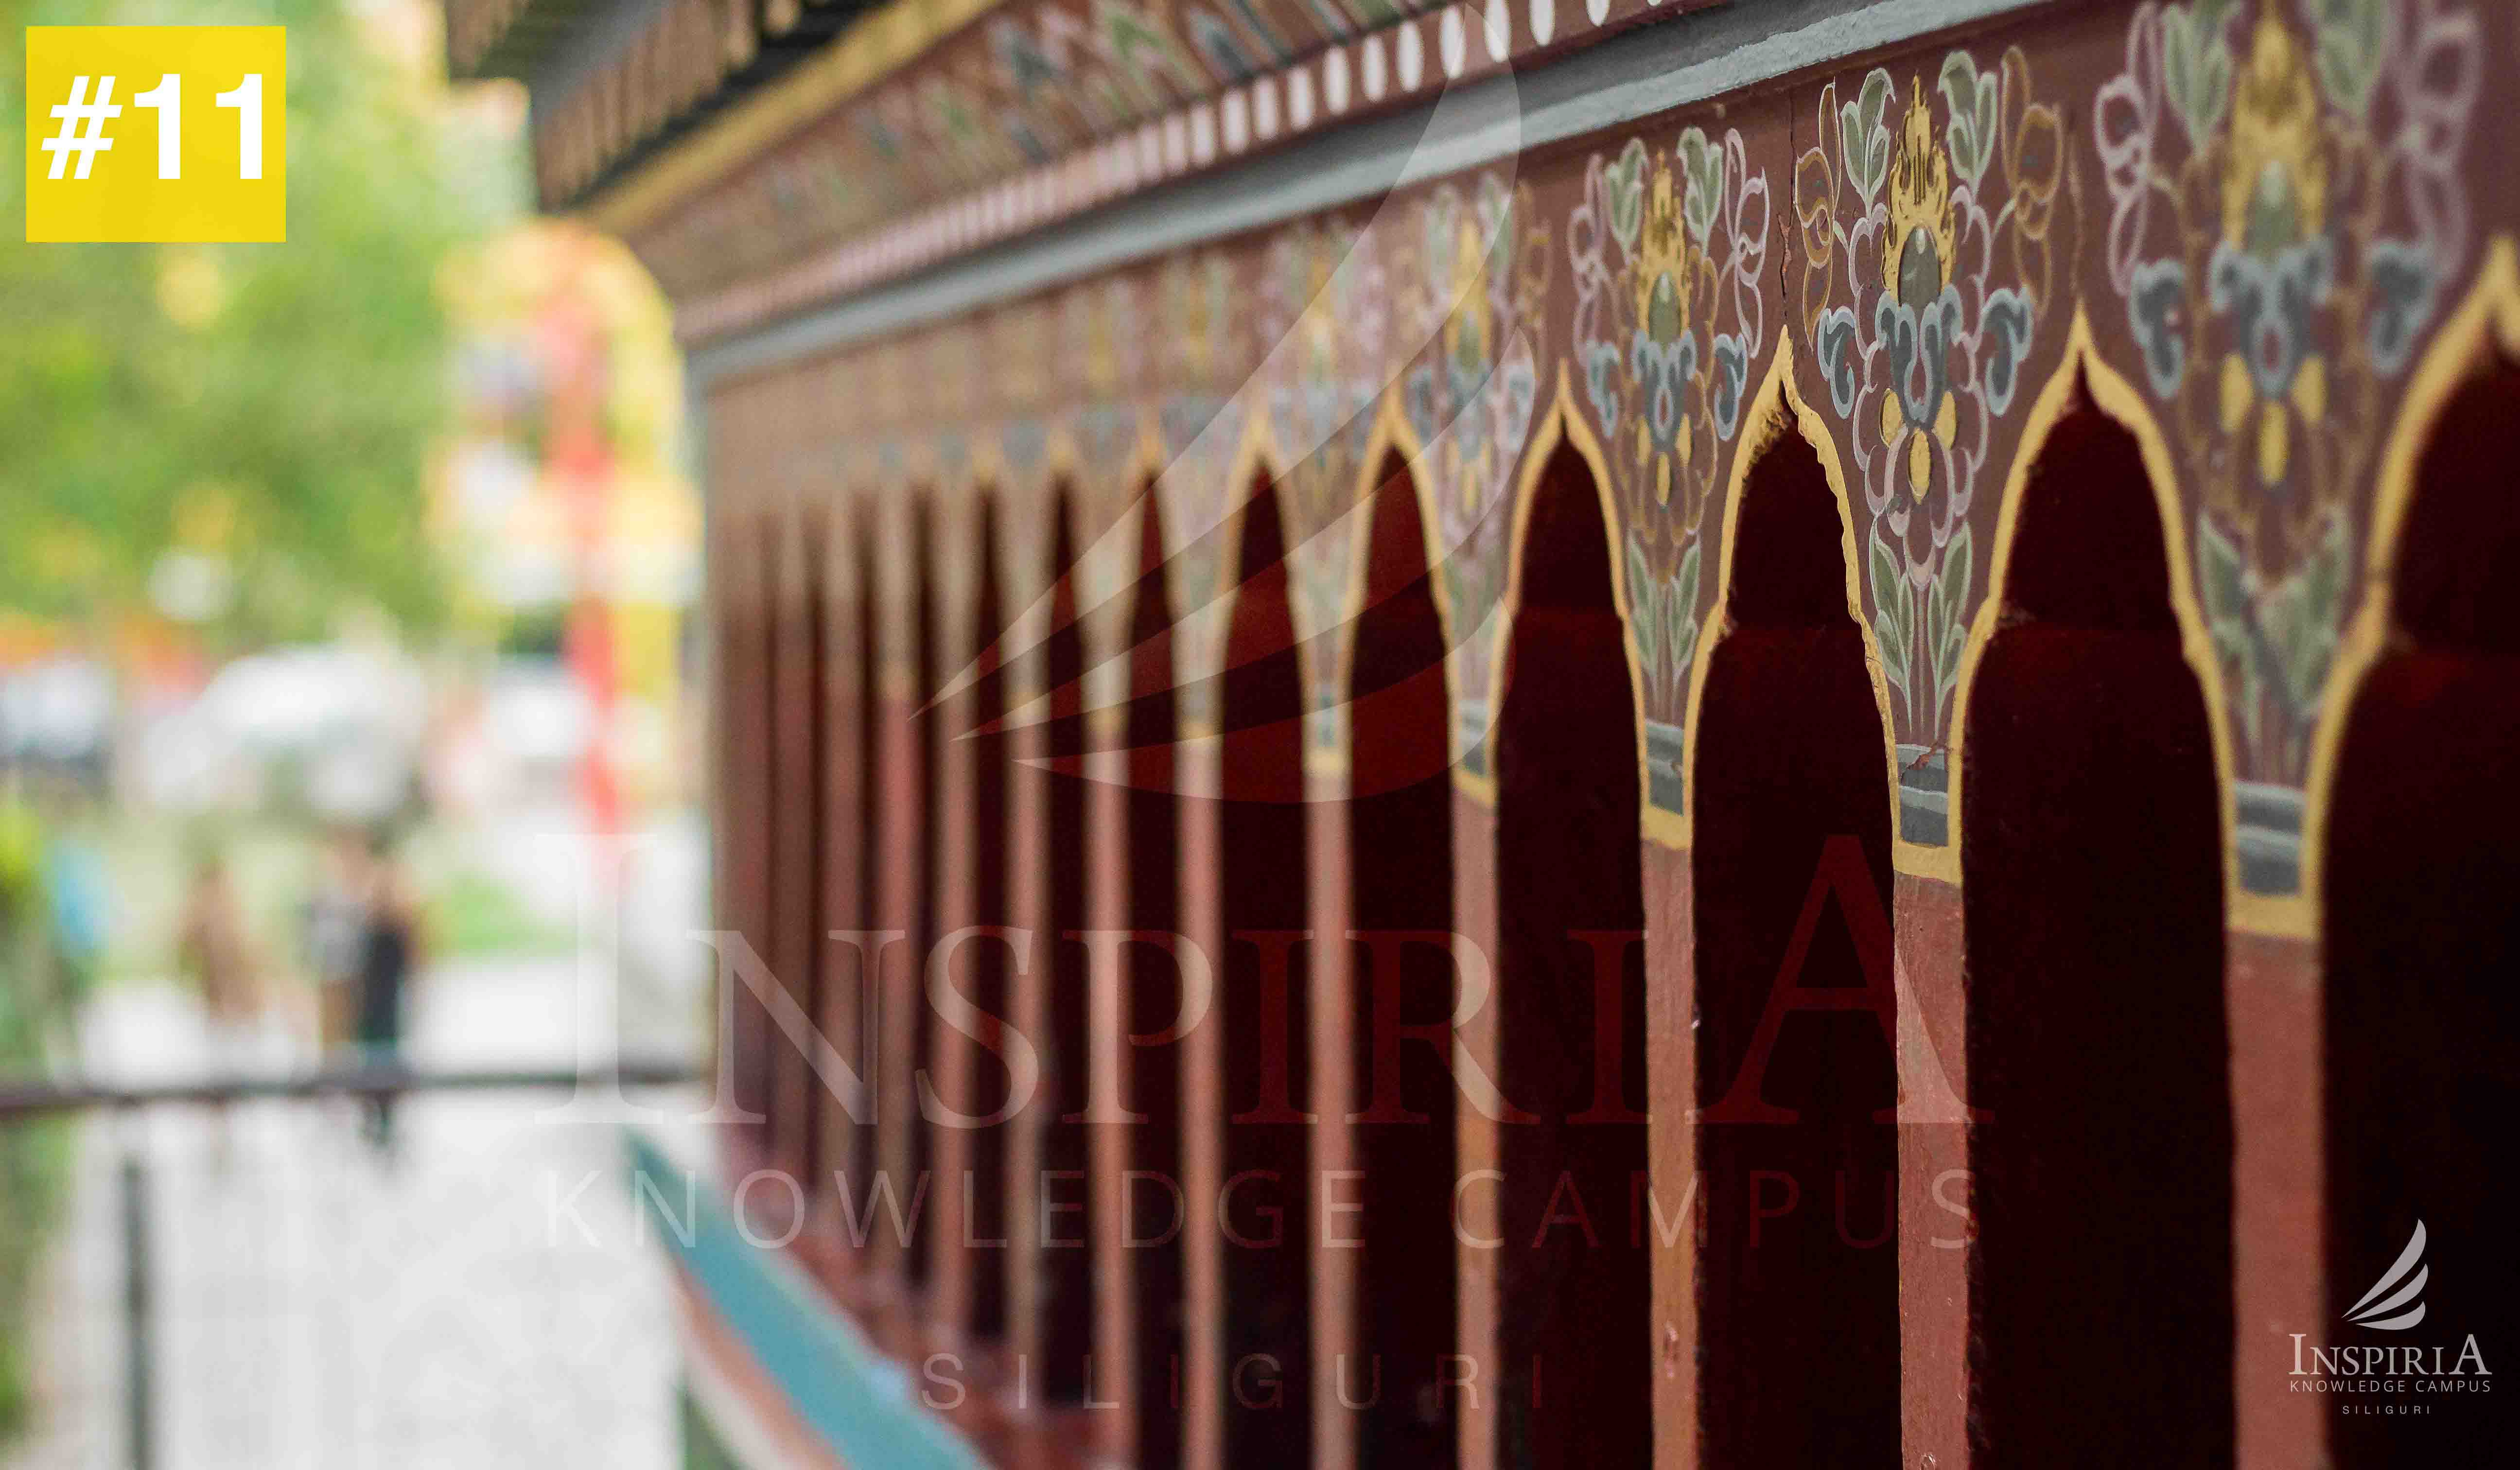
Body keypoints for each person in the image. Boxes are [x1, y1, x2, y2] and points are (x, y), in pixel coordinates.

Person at [177, 851, 265, 1164]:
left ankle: (233, 1144)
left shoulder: (233, 918)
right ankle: (223, 1144)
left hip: (234, 1013)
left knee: (235, 1080)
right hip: (220, 1013)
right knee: (221, 1082)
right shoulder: (208, 916)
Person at [355, 832, 423, 1155]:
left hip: (387, 1003)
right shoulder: (367, 918)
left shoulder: (398, 920)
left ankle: (386, 1124)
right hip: (371, 1003)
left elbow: (415, 960)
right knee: (370, 1062)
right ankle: (377, 1123)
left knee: (387, 1060)